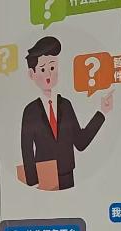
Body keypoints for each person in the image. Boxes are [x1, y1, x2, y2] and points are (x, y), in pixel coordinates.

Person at [19, 35, 113, 190]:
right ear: (32, 74)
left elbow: (80, 142)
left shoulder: (66, 105)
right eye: (42, 69)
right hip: (44, 175)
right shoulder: (30, 111)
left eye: (52, 68)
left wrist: (102, 112)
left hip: (67, 174)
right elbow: (26, 149)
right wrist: (32, 181)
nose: (48, 74)